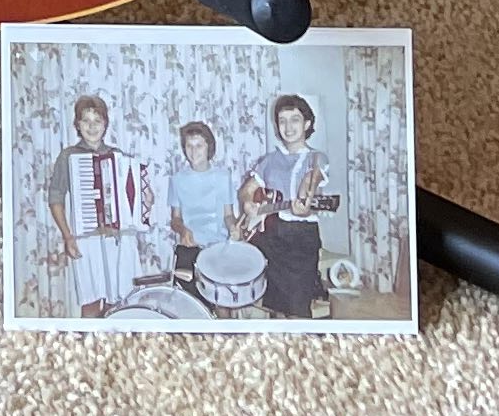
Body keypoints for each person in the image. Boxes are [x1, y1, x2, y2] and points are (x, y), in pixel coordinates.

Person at [45, 93, 155, 319]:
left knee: (124, 303)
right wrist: (68, 237)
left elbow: (140, 198)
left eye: (97, 121)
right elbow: (55, 198)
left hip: (120, 239)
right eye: (86, 121)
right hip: (87, 239)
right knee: (91, 303)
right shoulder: (68, 156)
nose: (92, 126)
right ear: (77, 125)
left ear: (105, 124)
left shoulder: (119, 156)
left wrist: (146, 198)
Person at [244, 92, 335, 319]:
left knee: (297, 309)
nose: (288, 127)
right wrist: (248, 203)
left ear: (307, 124)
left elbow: (311, 181)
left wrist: (304, 201)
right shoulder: (269, 160)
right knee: (276, 308)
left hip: (301, 239)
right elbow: (246, 190)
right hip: (273, 235)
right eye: (282, 121)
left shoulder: (317, 158)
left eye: (295, 120)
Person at [168, 118, 238, 285]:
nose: (193, 151)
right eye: (189, 146)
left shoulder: (223, 177)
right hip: (190, 247)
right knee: (186, 297)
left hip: (219, 248)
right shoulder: (177, 180)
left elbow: (228, 215)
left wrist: (233, 228)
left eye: (199, 146)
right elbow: (175, 220)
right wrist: (183, 230)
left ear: (209, 147)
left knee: (222, 295)